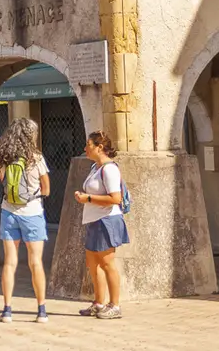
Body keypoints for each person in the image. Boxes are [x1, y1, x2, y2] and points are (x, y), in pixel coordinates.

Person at [0, 117, 51, 324]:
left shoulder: (3, 158)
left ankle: (7, 310)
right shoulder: (36, 157)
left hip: (8, 212)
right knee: (35, 262)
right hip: (32, 213)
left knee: (10, 262)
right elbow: (47, 188)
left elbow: (3, 182)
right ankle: (41, 310)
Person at [73, 130, 129, 320]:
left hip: (106, 220)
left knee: (107, 263)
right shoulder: (95, 168)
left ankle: (115, 305)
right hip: (94, 220)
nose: (85, 149)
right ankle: (99, 302)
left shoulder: (109, 169)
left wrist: (87, 197)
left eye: (88, 145)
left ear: (100, 147)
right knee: (93, 263)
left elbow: (115, 198)